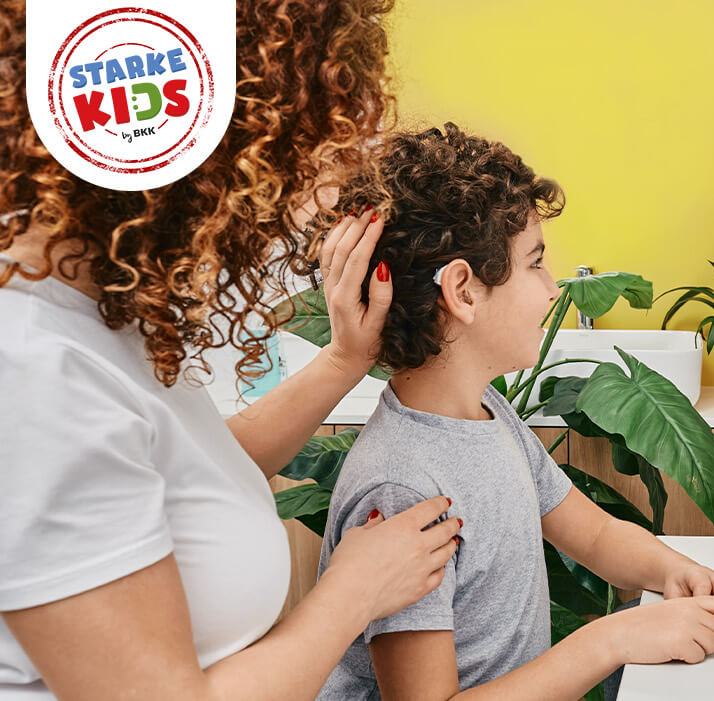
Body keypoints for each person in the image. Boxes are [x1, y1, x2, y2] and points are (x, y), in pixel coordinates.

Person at [0, 2, 461, 698]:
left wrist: (343, 360)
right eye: (297, 166)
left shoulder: (96, 303)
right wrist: (351, 592)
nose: (305, 204)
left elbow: (186, 480)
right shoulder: (31, 369)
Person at [316, 123, 714, 701]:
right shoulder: (403, 489)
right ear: (463, 292)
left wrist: (671, 570)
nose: (551, 289)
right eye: (535, 263)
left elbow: (591, 533)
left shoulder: (486, 412)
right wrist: (610, 640)